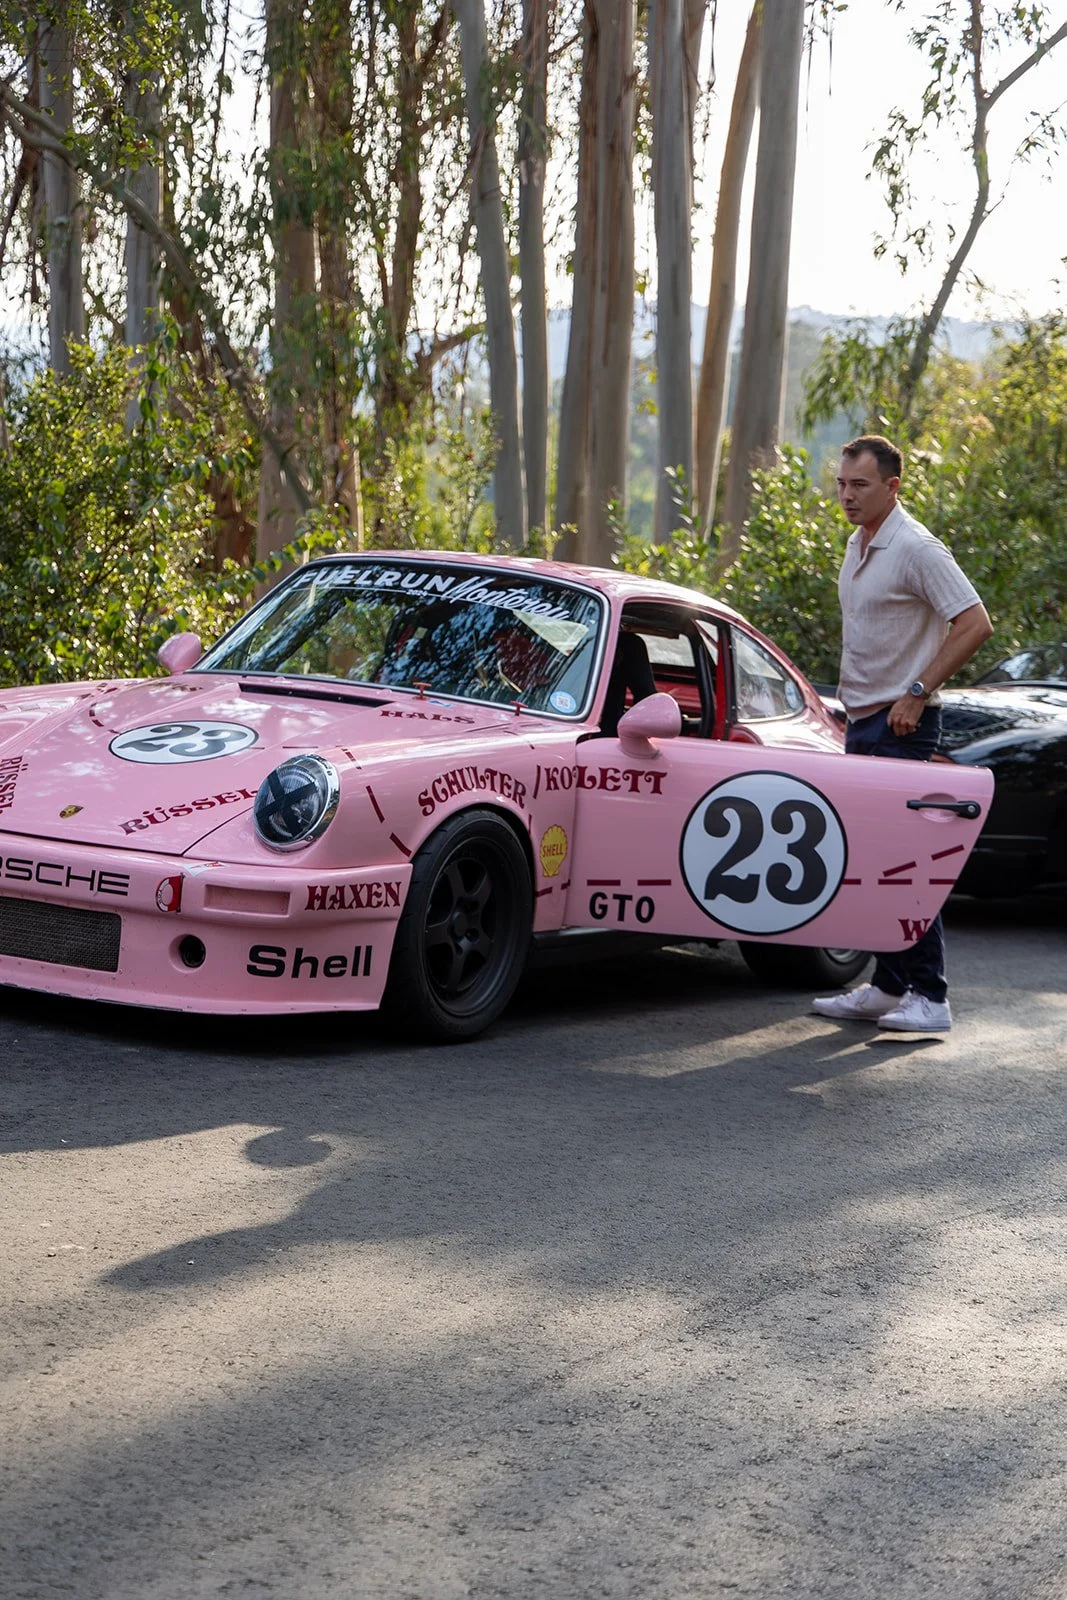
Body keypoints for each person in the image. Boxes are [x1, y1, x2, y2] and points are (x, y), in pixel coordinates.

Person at [811, 434, 993, 1033]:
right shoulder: (857, 541)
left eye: (859, 485)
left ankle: (931, 997)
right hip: (864, 723)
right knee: (870, 861)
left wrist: (917, 691)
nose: (846, 495)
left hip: (902, 724)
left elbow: (975, 623)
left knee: (903, 863)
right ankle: (889, 987)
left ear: (892, 487)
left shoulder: (916, 546)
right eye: (841, 484)